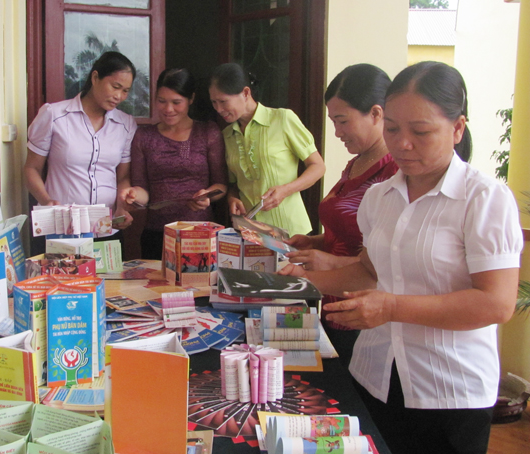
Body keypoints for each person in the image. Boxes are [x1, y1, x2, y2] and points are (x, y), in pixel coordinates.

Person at [279, 61, 522, 454]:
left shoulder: (484, 200)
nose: (402, 143)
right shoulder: (380, 197)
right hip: (374, 373)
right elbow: (368, 272)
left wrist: (392, 307)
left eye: (421, 132)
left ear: (457, 128)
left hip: (447, 390)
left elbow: (495, 302)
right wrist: (289, 282)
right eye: (392, 129)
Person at [285, 64, 398, 366]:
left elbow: (394, 265)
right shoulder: (357, 163)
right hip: (334, 305)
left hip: (365, 313)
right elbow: (350, 231)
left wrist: (331, 263)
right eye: (333, 121)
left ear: (376, 114)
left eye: (342, 121)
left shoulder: (395, 173)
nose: (336, 133)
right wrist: (316, 243)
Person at [25, 51, 137, 238]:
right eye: (115, 86)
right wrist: (47, 201)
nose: (119, 96)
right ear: (95, 77)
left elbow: (122, 177)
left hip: (107, 229)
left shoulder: (125, 124)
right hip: (62, 229)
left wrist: (122, 207)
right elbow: (31, 168)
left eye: (125, 91)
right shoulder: (55, 115)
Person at [120, 68, 227, 259]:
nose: (168, 109)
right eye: (162, 101)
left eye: (176, 102)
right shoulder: (144, 136)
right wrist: (134, 195)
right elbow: (143, 190)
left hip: (199, 233)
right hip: (157, 234)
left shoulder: (208, 132)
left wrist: (207, 196)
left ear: (190, 99)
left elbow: (221, 185)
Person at [209, 63, 325, 237]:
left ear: (246, 93)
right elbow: (233, 183)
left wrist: (286, 189)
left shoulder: (282, 119)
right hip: (252, 234)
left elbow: (318, 167)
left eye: (224, 101)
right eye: (214, 102)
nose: (219, 109)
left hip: (290, 232)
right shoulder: (227, 135)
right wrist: (232, 198)